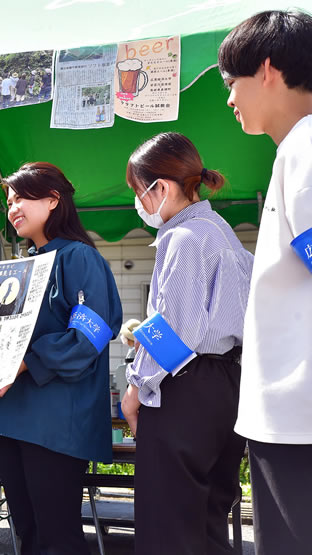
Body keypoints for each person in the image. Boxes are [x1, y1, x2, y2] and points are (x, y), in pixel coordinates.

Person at [0, 162, 122, 554]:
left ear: (53, 200)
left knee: (57, 536)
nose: (12, 208)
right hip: (13, 416)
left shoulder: (79, 257)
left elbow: (91, 333)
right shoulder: (23, 265)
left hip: (55, 422)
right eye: (8, 201)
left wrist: (23, 363)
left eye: (21, 197)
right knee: (30, 534)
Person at [119, 132, 254, 554]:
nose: (138, 204)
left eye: (138, 192)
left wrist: (136, 385)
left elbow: (175, 331)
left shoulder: (185, 238)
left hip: (185, 388)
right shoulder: (222, 233)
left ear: (162, 187)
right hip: (227, 384)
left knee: (168, 524)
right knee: (210, 518)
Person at [218, 10, 312, 554]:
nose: (229, 99)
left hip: (297, 413)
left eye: (233, 82)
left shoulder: (303, 148)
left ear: (269, 69)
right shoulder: (294, 150)